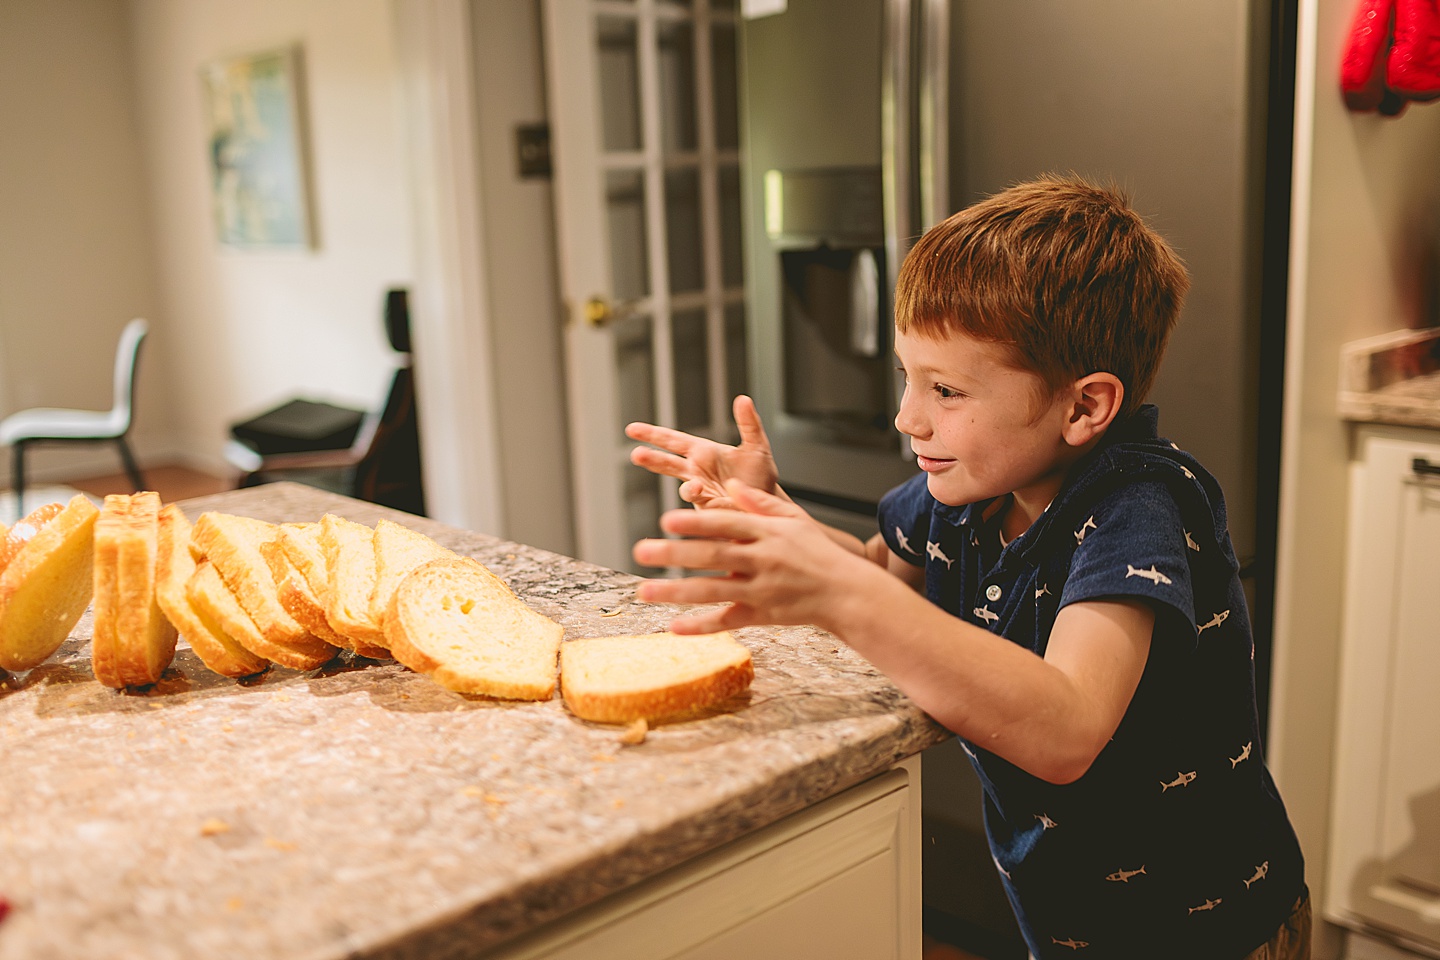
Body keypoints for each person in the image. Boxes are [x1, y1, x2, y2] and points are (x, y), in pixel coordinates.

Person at [625, 175, 1309, 959]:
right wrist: (779, 514)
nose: (908, 417)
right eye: (906, 378)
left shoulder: (1140, 507)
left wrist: (840, 594)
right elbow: (884, 581)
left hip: (1210, 935)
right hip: (1068, 921)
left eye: (946, 389)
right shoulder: (961, 490)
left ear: (1085, 407)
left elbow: (1068, 727)